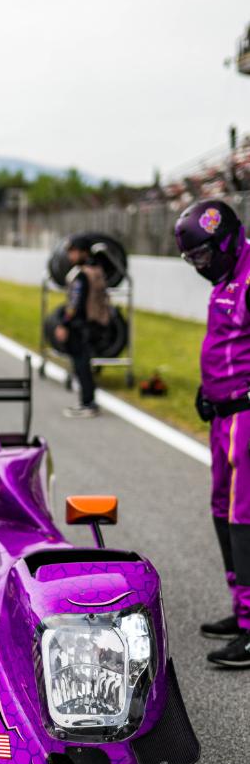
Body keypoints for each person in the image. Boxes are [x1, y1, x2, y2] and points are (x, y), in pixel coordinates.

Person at [176, 198, 250, 668]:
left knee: (245, 516)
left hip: (246, 416)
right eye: (192, 259)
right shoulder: (227, 279)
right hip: (224, 415)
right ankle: (242, 610)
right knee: (223, 509)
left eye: (203, 255)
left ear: (224, 242)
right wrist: (209, 389)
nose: (200, 265)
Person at [53, 235, 110, 417]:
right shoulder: (97, 270)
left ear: (83, 252)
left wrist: (64, 324)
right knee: (84, 363)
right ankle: (88, 401)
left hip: (80, 325)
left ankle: (88, 403)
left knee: (81, 364)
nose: (70, 255)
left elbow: (74, 303)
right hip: (94, 323)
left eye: (73, 251)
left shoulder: (82, 275)